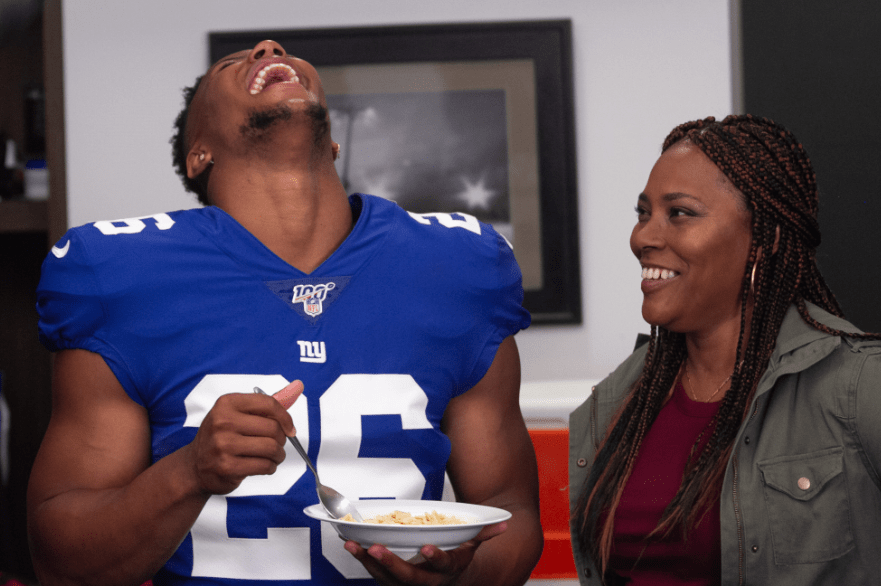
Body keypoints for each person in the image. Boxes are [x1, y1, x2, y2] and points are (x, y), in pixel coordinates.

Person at [28, 39, 542, 586]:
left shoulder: (457, 266)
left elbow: (513, 512)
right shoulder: (119, 274)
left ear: (335, 142)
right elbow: (61, 562)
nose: (268, 47)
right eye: (231, 64)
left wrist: (461, 578)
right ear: (198, 154)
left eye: (279, 51)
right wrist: (188, 471)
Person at [569, 115, 881, 585]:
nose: (642, 237)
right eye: (643, 213)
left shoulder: (858, 386)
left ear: (767, 238)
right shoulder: (616, 402)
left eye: (679, 213)